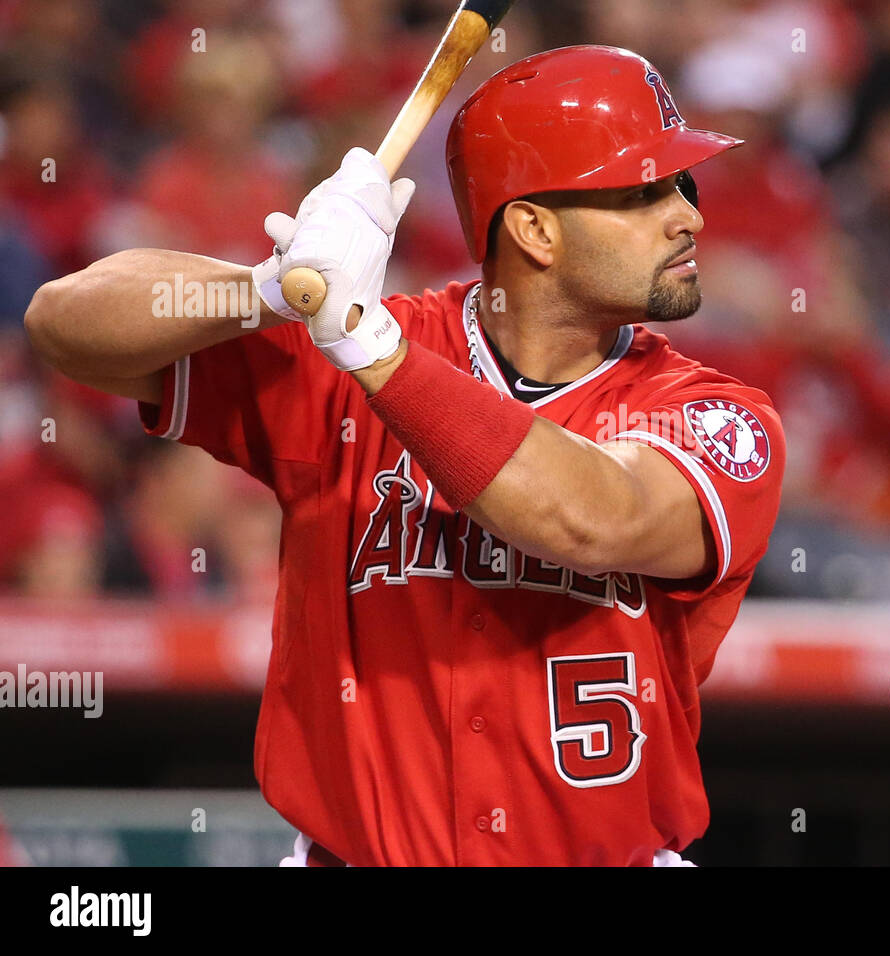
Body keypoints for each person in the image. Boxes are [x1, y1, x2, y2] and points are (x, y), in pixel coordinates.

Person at [24, 45, 786, 866]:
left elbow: (592, 520)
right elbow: (65, 326)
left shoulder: (715, 415)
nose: (690, 216)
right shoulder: (345, 355)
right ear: (533, 230)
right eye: (645, 191)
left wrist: (370, 345)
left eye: (684, 186)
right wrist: (268, 288)